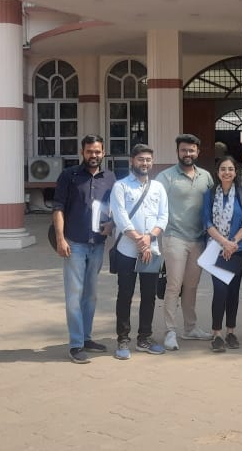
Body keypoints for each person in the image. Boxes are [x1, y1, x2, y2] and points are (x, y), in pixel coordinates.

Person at [53, 134, 116, 364]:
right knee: (74, 295)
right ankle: (76, 344)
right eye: (89, 151)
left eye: (97, 151)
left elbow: (115, 207)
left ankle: (86, 338)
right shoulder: (69, 176)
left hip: (97, 244)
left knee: (91, 295)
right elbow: (58, 208)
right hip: (74, 244)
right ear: (82, 152)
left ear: (103, 152)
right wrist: (60, 239)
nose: (94, 155)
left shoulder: (110, 177)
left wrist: (112, 224)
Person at [156, 133, 216, 350]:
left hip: (198, 240)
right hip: (174, 237)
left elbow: (214, 205)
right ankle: (170, 331)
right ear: (177, 152)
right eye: (184, 150)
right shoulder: (165, 177)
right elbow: (155, 205)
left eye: (191, 150)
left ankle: (190, 328)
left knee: (191, 285)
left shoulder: (206, 177)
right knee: (174, 285)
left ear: (198, 152)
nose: (187, 153)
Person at [110, 143, 169, 360]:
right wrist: (139, 240)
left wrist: (149, 239)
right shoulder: (121, 186)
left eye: (148, 160)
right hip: (127, 250)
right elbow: (120, 217)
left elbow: (163, 216)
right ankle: (123, 338)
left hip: (151, 251)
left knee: (149, 296)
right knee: (125, 295)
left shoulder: (158, 187)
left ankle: (145, 337)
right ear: (132, 161)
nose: (145, 163)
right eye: (141, 159)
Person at [200, 156, 242, 352]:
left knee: (232, 291)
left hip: (239, 250)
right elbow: (207, 222)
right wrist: (224, 243)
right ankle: (217, 333)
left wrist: (232, 243)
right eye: (223, 169)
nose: (227, 172)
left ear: (235, 171)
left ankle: (231, 331)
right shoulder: (210, 194)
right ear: (217, 172)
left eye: (230, 169)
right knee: (220, 290)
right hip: (216, 249)